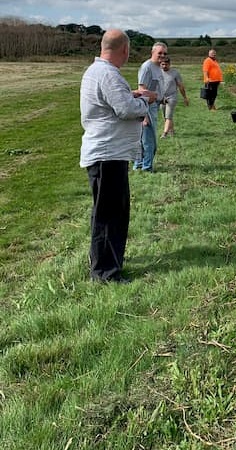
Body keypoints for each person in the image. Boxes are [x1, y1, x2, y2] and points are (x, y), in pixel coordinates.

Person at [80, 29, 157, 283]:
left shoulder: (97, 71)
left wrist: (131, 95)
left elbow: (115, 102)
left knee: (104, 212)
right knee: (111, 214)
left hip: (105, 153)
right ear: (124, 49)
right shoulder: (109, 74)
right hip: (108, 155)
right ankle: (106, 273)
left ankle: (102, 261)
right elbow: (124, 109)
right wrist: (145, 103)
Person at [133, 41, 167, 172]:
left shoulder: (157, 67)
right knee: (149, 142)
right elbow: (142, 91)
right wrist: (144, 116)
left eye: (165, 53)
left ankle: (139, 165)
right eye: (160, 53)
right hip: (146, 108)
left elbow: (154, 88)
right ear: (152, 52)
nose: (162, 55)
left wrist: (161, 98)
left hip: (154, 106)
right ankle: (146, 167)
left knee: (145, 140)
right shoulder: (147, 67)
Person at [159, 57, 189, 138]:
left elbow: (180, 86)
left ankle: (164, 133)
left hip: (172, 96)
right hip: (162, 97)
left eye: (166, 64)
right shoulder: (158, 72)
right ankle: (171, 130)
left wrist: (185, 97)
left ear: (169, 64)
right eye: (162, 64)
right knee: (165, 115)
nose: (164, 66)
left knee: (168, 115)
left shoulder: (175, 73)